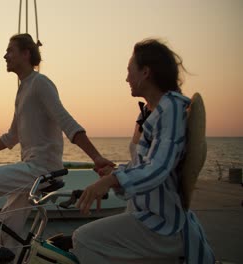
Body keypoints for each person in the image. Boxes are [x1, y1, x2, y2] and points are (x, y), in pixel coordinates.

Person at [0, 33, 114, 263]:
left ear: (26, 53)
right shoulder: (23, 89)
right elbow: (11, 137)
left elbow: (66, 121)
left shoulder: (40, 83)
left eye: (10, 50)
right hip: (31, 169)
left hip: (41, 169)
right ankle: (4, 252)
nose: (5, 55)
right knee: (7, 232)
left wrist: (96, 157)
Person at [72, 39, 215, 264]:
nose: (126, 78)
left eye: (130, 71)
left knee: (84, 240)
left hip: (162, 223)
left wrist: (111, 181)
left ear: (145, 72)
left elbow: (158, 168)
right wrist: (115, 173)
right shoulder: (150, 111)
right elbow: (144, 164)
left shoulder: (172, 109)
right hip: (142, 213)